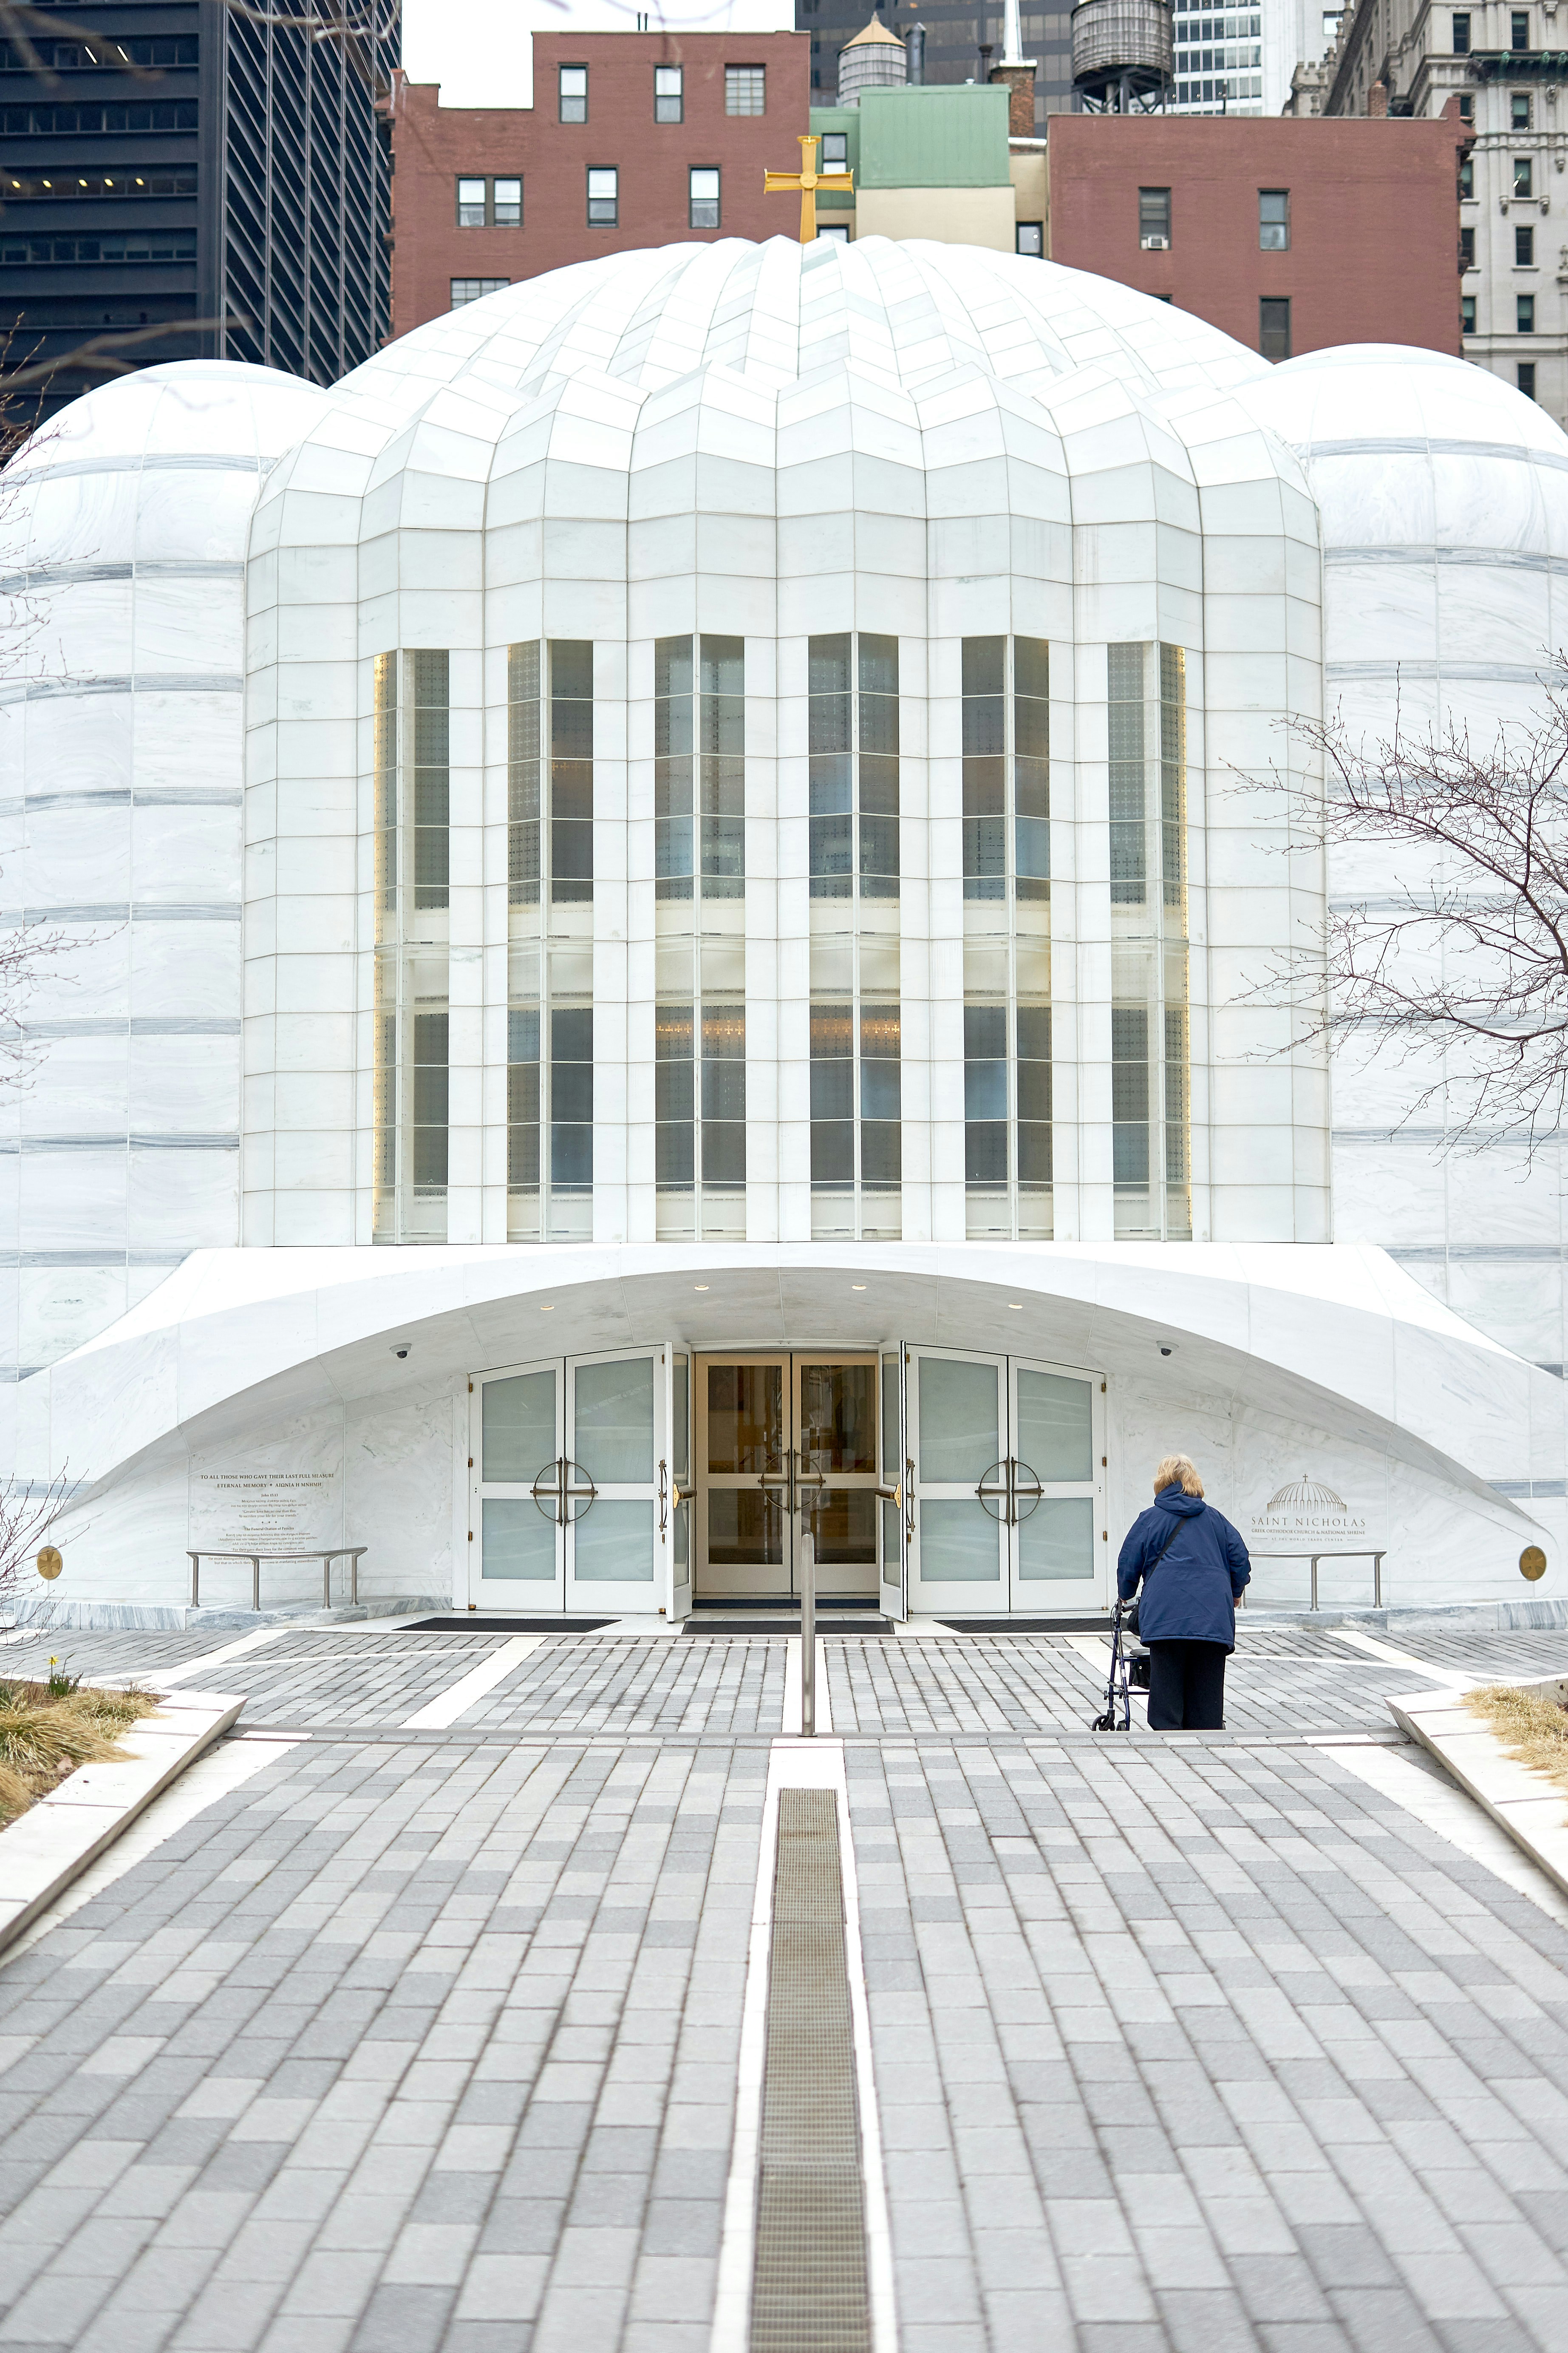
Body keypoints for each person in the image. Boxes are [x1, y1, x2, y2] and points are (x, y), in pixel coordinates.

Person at [1117, 1454, 1250, 1730]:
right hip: (1212, 1615)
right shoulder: (1216, 1519)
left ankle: (1169, 1736)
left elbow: (1129, 1561)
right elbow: (1240, 1559)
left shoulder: (1150, 1519)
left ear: (1162, 1482)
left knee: (1167, 1681)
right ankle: (1206, 1734)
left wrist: (1125, 1593)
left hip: (1167, 1614)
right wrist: (1235, 1591)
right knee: (1207, 1687)